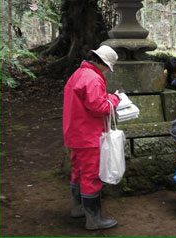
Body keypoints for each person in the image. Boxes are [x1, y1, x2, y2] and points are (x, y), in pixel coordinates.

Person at [63, 45, 121, 231]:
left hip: (75, 132)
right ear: (103, 63)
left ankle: (78, 208)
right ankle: (93, 219)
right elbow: (99, 108)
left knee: (78, 171)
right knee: (92, 175)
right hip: (88, 135)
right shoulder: (93, 78)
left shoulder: (78, 74)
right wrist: (114, 99)